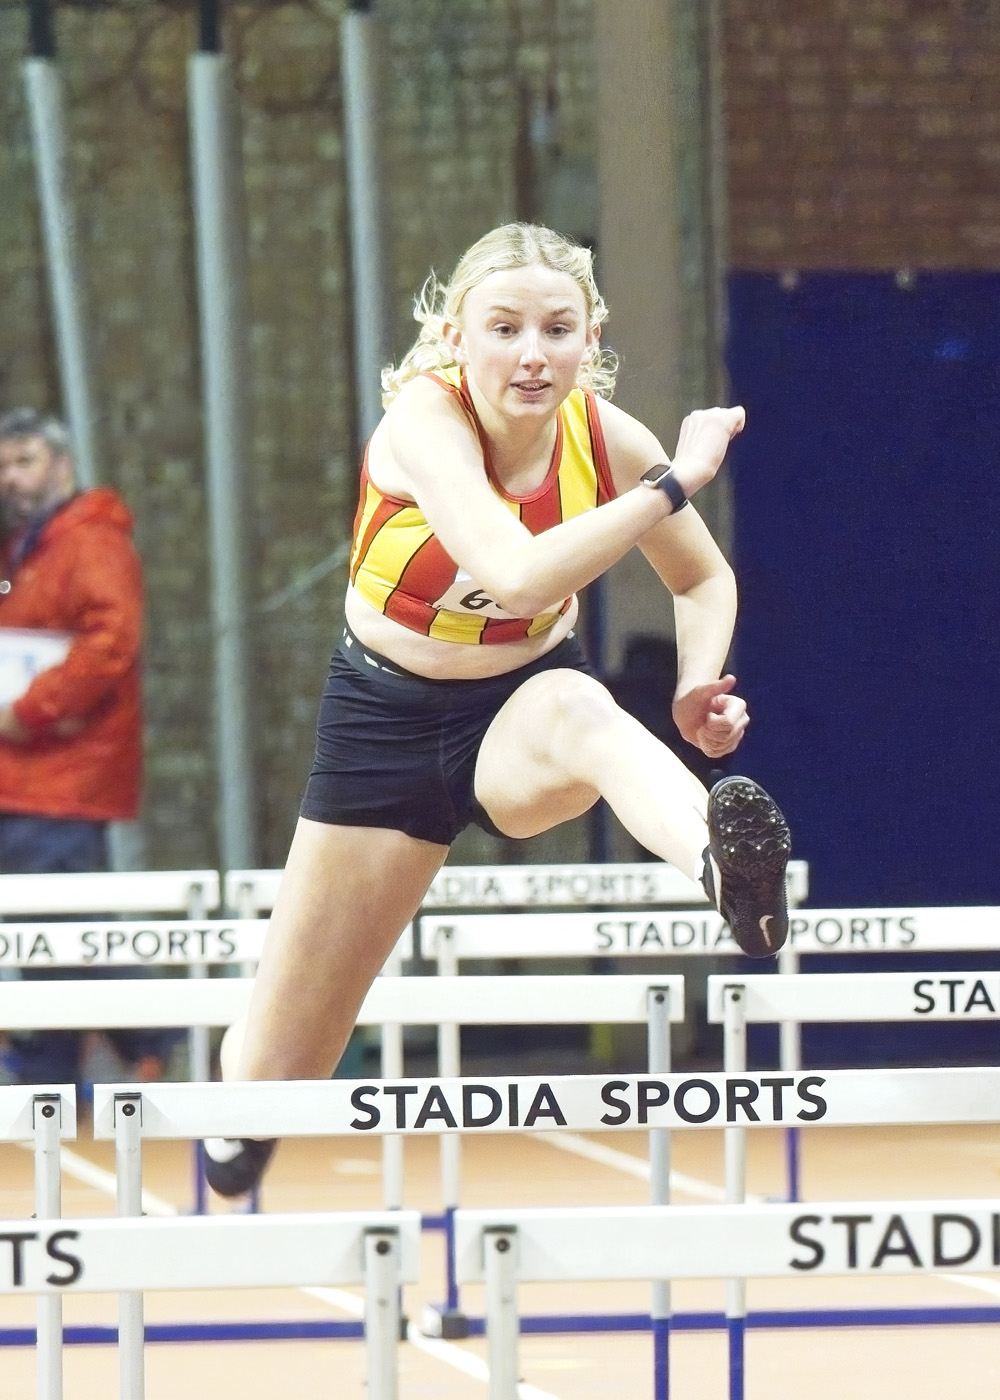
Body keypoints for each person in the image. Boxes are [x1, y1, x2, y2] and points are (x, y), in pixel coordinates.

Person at [204, 222, 791, 1197]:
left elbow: (701, 577)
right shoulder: (423, 423)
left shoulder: (606, 439)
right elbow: (517, 575)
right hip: (383, 721)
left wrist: (698, 680)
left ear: (590, 336)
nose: (532, 354)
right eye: (505, 328)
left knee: (585, 711)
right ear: (454, 336)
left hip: (518, 706)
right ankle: (247, 1104)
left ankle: (724, 869)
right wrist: (673, 484)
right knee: (282, 1063)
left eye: (557, 330)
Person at [0, 409, 174, 1088]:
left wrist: (30, 710)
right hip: (29, 769)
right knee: (49, 920)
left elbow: (111, 645)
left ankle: (150, 1031)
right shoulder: (26, 548)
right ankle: (61, 1056)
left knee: (64, 921)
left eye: (24, 462)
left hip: (65, 768)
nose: (10, 478)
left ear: (62, 466)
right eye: (3, 466)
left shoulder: (90, 542)